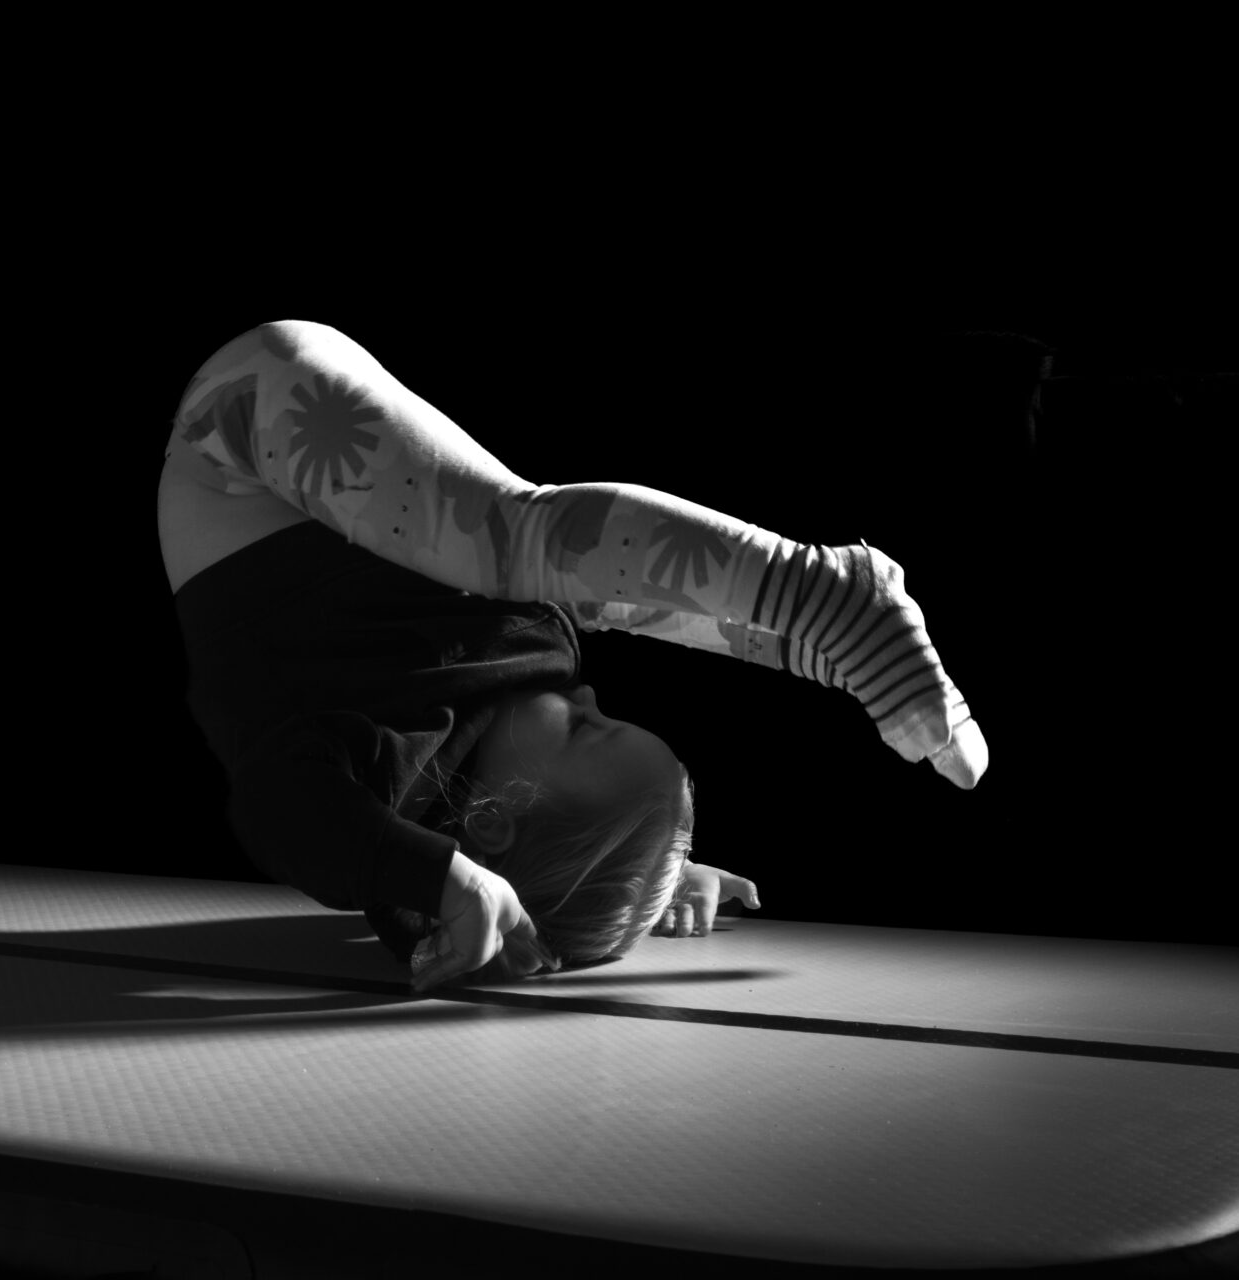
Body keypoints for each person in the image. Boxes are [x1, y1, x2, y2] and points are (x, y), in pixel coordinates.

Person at [160, 321, 986, 995]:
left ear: (491, 819)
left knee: (517, 542)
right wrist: (656, 875)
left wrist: (446, 879)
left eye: (588, 734)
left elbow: (280, 814)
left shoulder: (374, 783)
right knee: (588, 590)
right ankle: (819, 641)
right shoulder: (511, 688)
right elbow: (572, 822)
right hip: (321, 474)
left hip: (238, 450)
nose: (590, 699)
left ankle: (823, 594)